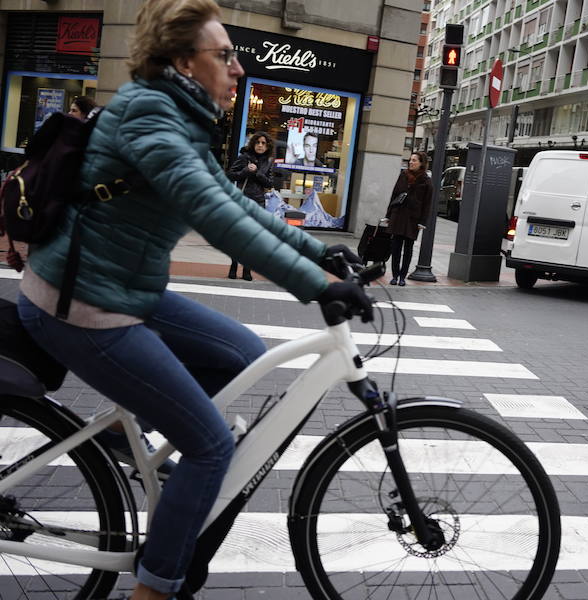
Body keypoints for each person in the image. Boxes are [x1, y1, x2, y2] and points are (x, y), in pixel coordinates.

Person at [15, 2, 370, 599]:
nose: (237, 67)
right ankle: (154, 588)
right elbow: (214, 217)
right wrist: (316, 286)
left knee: (241, 352)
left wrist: (320, 251)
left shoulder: (182, 115)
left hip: (126, 288)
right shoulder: (151, 116)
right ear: (182, 61)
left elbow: (233, 202)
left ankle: (139, 440)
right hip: (80, 305)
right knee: (210, 446)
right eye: (224, 54)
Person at [226, 131, 274, 280]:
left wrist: (257, 173)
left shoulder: (268, 162)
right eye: (258, 142)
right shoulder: (244, 158)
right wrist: (246, 170)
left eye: (263, 143)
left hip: (258, 202)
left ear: (267, 146)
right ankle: (234, 266)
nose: (260, 145)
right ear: (253, 144)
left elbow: (270, 183)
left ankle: (247, 269)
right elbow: (230, 175)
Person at [383, 151, 433, 286]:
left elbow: (427, 204)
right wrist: (388, 215)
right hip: (398, 215)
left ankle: (402, 277)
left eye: (414, 160)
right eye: (410, 160)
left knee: (408, 249)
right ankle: (394, 275)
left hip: (413, 219)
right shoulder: (403, 175)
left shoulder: (426, 181)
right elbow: (394, 196)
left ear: (421, 163)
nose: (411, 162)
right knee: (396, 248)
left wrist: (422, 222)